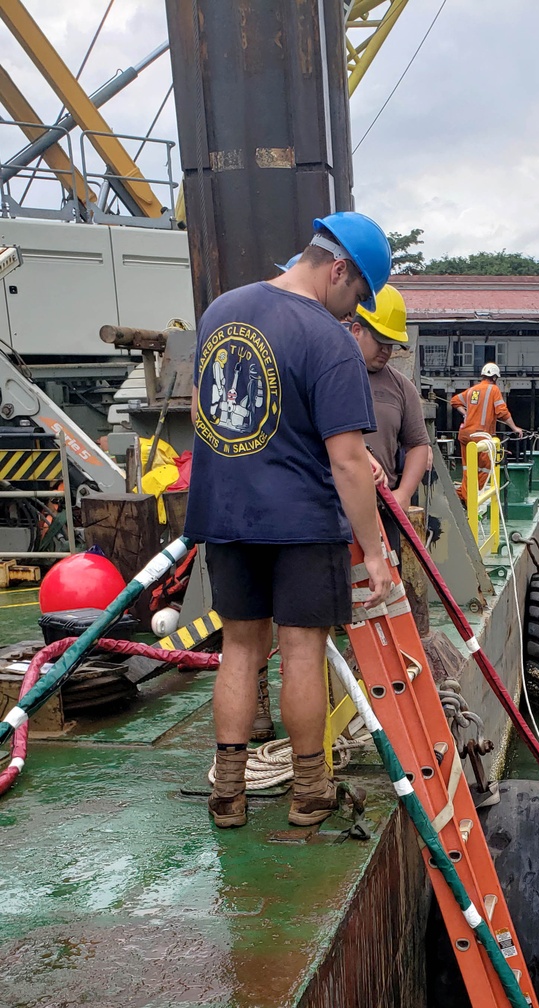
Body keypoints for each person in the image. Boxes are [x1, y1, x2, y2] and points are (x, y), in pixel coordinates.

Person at [185, 209, 394, 830]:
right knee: (302, 652)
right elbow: (348, 461)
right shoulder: (329, 339)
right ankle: (308, 792)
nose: (354, 312)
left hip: (227, 515)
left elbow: (204, 411)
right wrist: (375, 551)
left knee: (239, 650)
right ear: (338, 270)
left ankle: (228, 793)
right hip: (302, 522)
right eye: (357, 295)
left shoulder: (221, 311)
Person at [348, 284, 432, 516]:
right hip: (333, 506)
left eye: (391, 343)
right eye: (380, 340)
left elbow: (417, 444)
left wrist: (403, 493)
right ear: (357, 330)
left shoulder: (402, 387)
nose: (386, 350)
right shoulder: (329, 376)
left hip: (383, 507)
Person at [450, 363, 523, 499]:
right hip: (481, 435)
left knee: (468, 468)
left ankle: (462, 495)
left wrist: (465, 414)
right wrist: (514, 428)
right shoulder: (493, 390)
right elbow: (502, 412)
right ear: (494, 377)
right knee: (486, 467)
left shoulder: (472, 390)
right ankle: (470, 497)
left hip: (465, 434)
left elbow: (454, 401)